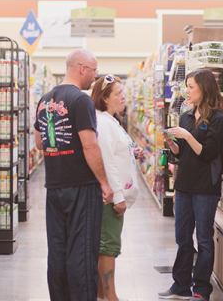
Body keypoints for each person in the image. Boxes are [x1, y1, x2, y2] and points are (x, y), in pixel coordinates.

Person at [34, 49, 114, 301]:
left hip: (55, 184)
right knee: (82, 250)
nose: (95, 77)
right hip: (81, 185)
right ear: (82, 68)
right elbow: (89, 145)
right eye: (94, 71)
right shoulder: (81, 100)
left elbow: (39, 142)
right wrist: (104, 182)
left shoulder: (45, 99)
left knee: (57, 250)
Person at [159, 70, 223, 301]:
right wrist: (172, 143)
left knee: (204, 239)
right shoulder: (186, 116)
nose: (186, 91)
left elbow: (207, 153)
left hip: (205, 187)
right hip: (185, 184)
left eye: (191, 87)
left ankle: (201, 289)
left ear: (205, 89)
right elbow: (181, 154)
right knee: (182, 237)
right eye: (187, 86)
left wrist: (188, 136)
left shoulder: (218, 120)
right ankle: (180, 285)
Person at [90, 74, 143, 301]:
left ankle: (103, 294)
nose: (123, 97)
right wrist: (117, 196)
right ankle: (110, 296)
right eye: (118, 94)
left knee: (108, 242)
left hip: (114, 194)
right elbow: (106, 161)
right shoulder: (102, 121)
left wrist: (131, 152)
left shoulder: (111, 120)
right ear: (104, 98)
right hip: (109, 197)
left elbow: (115, 152)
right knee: (108, 245)